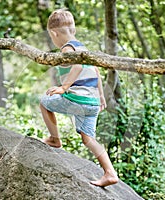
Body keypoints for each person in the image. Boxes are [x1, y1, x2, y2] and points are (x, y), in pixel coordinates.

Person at [40, 9, 118, 187]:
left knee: (44, 102)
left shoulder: (67, 48)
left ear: (54, 33)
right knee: (88, 139)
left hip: (78, 99)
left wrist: (64, 87)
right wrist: (101, 97)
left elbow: (78, 66)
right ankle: (110, 173)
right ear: (73, 29)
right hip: (92, 102)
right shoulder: (82, 47)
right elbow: (96, 71)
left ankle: (54, 139)